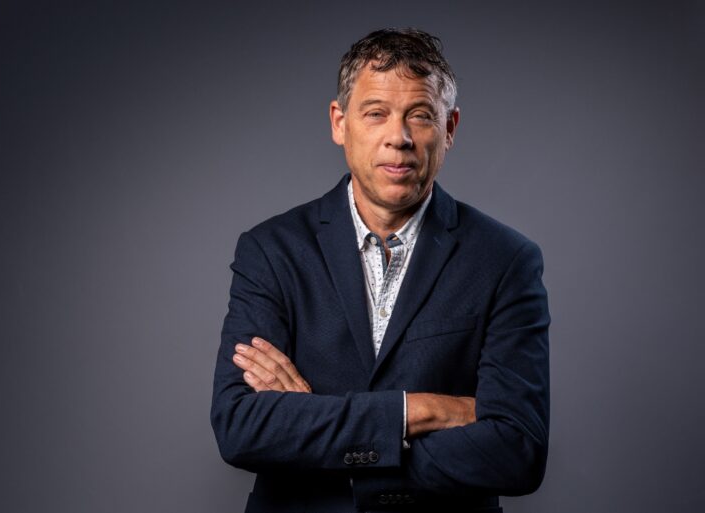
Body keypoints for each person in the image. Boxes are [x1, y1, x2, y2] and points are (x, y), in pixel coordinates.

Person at [211, 28, 550, 513]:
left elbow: (518, 451)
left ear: (449, 128)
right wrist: (421, 410)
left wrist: (322, 430)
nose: (399, 138)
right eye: (376, 113)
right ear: (340, 122)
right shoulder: (270, 250)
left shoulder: (506, 260)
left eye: (421, 115)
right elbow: (241, 427)